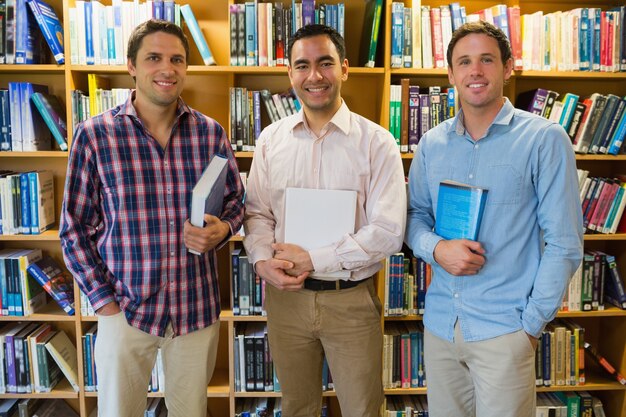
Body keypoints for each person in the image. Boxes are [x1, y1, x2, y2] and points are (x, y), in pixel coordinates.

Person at [59, 20, 244, 417]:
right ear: (132, 66)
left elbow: (236, 201)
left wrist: (223, 229)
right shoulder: (94, 136)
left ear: (186, 69)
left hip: (196, 310)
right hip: (125, 310)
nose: (167, 68)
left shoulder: (210, 134)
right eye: (154, 58)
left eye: (177, 59)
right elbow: (73, 229)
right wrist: (104, 302)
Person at [405, 21, 583, 417]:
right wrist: (437, 249)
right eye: (464, 62)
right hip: (440, 328)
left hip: (506, 331)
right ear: (450, 74)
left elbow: (565, 243)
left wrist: (530, 328)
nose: (476, 71)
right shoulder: (431, 145)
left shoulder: (544, 139)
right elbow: (414, 216)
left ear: (507, 67)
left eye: (487, 59)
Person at [243, 24, 406, 417]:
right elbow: (257, 213)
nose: (314, 76)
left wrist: (313, 259)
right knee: (297, 407)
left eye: (325, 63)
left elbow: (387, 232)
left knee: (362, 408)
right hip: (286, 300)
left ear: (344, 69)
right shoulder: (270, 140)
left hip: (350, 300)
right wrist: (263, 261)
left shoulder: (377, 142)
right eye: (302, 65)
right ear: (290, 74)